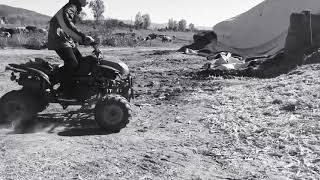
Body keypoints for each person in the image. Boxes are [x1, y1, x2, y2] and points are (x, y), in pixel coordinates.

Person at [47, 0, 94, 88]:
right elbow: (66, 24)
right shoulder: (71, 7)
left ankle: (75, 86)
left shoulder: (74, 7)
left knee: (80, 62)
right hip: (59, 39)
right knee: (72, 64)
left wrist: (81, 39)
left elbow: (69, 27)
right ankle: (60, 86)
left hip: (66, 39)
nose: (88, 1)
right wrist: (83, 37)